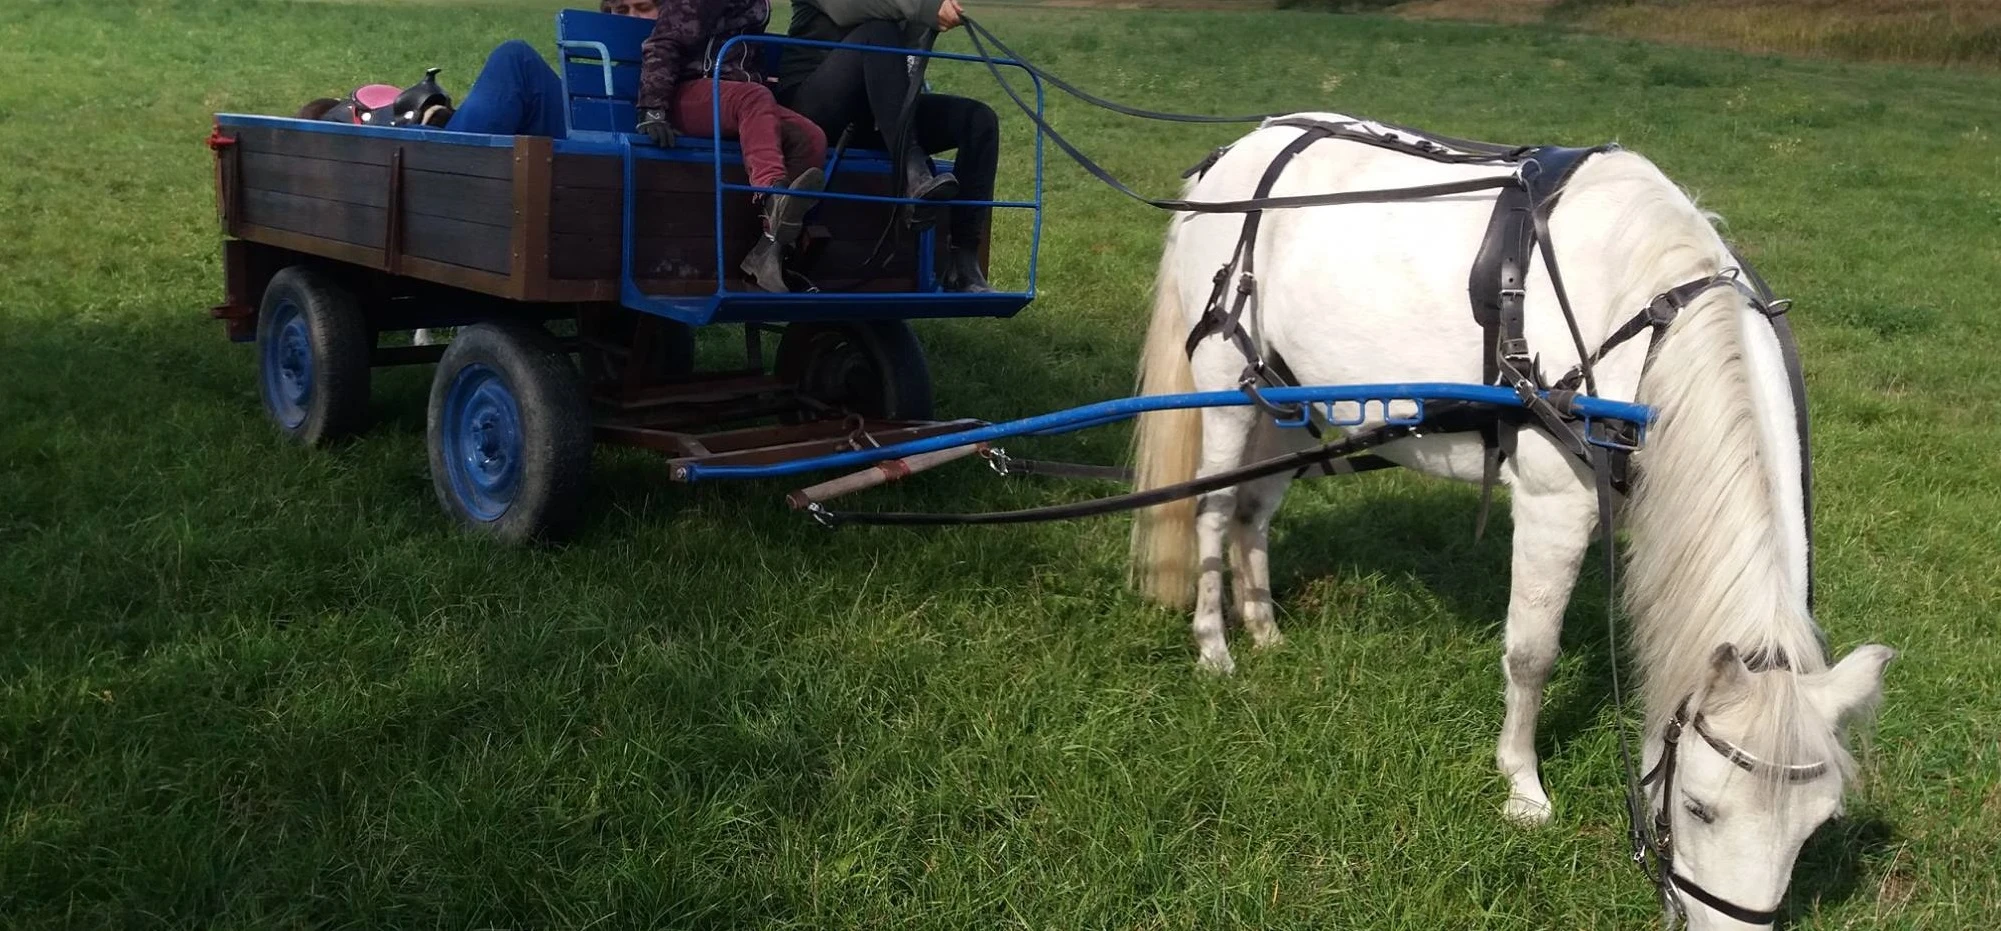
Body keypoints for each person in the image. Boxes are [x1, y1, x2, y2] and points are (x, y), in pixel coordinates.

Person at [775, 0, 996, 293]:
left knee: (979, 121)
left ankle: (963, 263)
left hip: (879, 112)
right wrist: (927, 8)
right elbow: (845, 8)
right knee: (877, 33)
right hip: (813, 109)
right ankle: (912, 173)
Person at [634, 0, 829, 292]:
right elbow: (664, 42)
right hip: (692, 92)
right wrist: (653, 108)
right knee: (754, 97)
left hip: (737, 97)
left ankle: (769, 252)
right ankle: (773, 194)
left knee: (810, 136)